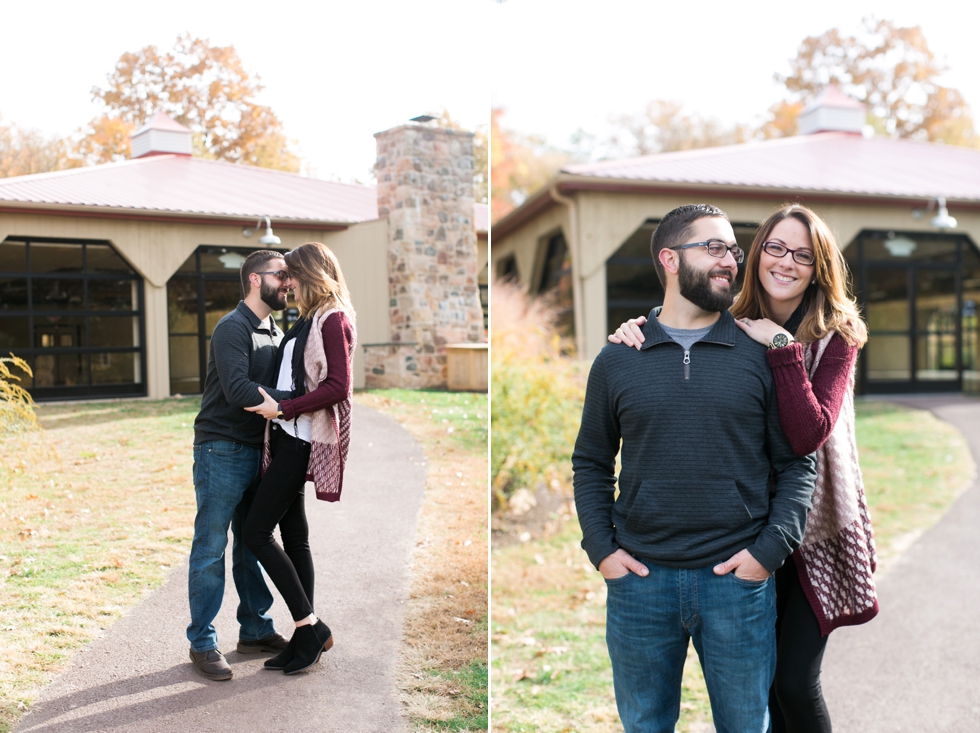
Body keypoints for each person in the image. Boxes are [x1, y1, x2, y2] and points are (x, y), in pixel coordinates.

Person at [610, 203, 877, 733]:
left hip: (811, 527)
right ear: (756, 256)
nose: (786, 262)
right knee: (763, 682)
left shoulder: (835, 332)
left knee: (794, 681)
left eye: (803, 254)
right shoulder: (734, 317)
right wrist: (639, 328)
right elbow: (684, 319)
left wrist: (780, 348)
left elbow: (808, 435)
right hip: (743, 525)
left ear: (819, 266)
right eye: (775, 247)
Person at [573, 203, 817, 733]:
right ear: (669, 259)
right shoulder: (618, 357)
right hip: (640, 583)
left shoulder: (759, 355)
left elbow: (799, 464)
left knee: (746, 726)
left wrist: (766, 553)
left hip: (737, 583)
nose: (729, 259)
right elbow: (591, 461)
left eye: (732, 249)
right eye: (713, 247)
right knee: (645, 725)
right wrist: (602, 550)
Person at [242, 241, 356, 675]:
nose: (285, 282)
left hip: (300, 439)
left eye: (290, 274)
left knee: (255, 531)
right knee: (295, 539)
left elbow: (338, 387)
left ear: (310, 273)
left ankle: (310, 626)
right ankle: (303, 636)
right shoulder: (308, 318)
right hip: (289, 435)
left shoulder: (333, 318)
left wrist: (282, 408)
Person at [187, 250, 294, 681]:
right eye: (281, 275)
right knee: (211, 548)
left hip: (259, 450)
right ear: (255, 279)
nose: (288, 282)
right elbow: (237, 389)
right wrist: (292, 404)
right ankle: (202, 642)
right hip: (221, 449)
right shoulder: (232, 328)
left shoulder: (274, 329)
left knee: (252, 542)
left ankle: (255, 629)